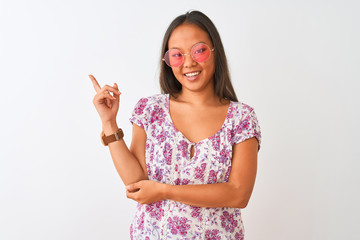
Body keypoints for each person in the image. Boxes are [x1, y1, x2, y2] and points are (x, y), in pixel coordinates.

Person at [90, 10, 261, 240]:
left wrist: (165, 190)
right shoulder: (149, 110)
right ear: (168, 61)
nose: (189, 62)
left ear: (215, 51)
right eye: (177, 55)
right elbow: (136, 182)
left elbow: (238, 194)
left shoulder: (241, 118)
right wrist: (109, 122)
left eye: (199, 50)